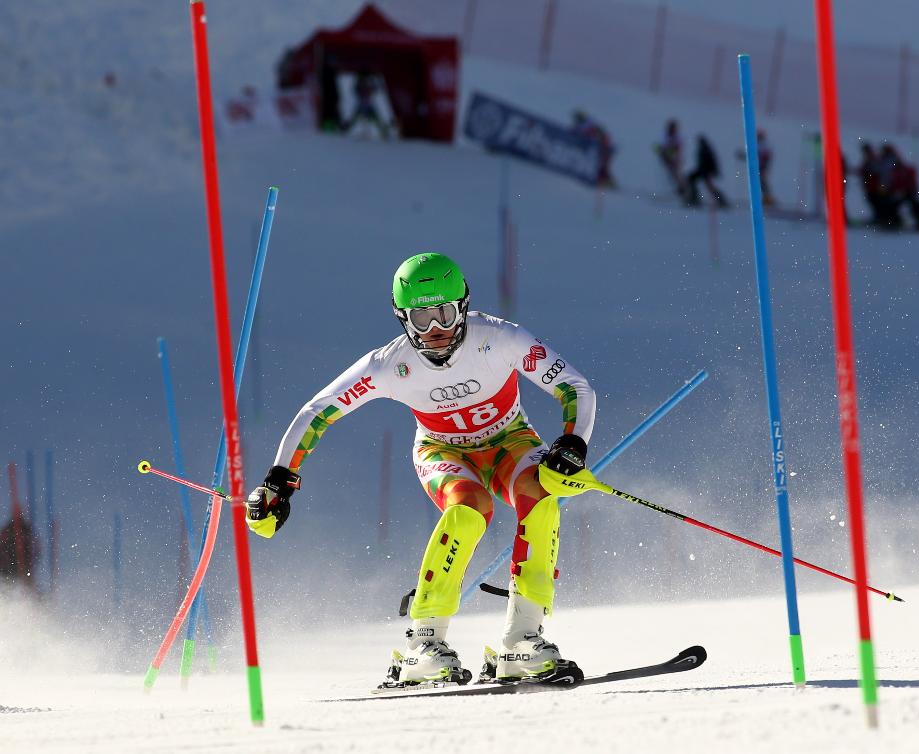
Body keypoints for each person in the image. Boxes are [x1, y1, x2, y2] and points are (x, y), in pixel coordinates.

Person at [245, 253, 596, 687]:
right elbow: (318, 412)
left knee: (540, 499)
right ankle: (423, 644)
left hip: (511, 442)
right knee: (469, 510)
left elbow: (574, 387)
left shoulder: (501, 339)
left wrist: (572, 443)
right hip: (442, 451)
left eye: (444, 313)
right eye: (421, 318)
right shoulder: (389, 365)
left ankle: (522, 639)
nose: (435, 330)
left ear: (463, 306)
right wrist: (279, 480)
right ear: (402, 318)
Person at [572, 110, 617, 188]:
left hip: (602, 150)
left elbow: (602, 137)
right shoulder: (581, 126)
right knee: (599, 167)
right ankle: (606, 182)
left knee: (601, 167)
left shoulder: (590, 125)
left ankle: (608, 183)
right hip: (595, 150)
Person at [345, 72, 392, 139]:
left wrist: (372, 88)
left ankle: (384, 131)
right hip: (361, 105)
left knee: (376, 118)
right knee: (355, 118)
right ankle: (346, 129)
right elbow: (356, 90)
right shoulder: (359, 85)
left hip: (368, 105)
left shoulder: (368, 83)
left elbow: (375, 88)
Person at [685, 135, 728, 207]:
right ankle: (694, 198)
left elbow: (711, 163)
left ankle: (722, 201)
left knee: (710, 187)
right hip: (703, 171)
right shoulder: (703, 149)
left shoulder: (706, 150)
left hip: (706, 172)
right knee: (693, 180)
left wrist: (712, 172)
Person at [654, 119, 686, 197]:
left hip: (674, 160)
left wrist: (671, 155)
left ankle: (684, 191)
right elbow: (666, 147)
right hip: (669, 160)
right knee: (674, 176)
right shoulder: (668, 136)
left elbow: (677, 148)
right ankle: (681, 190)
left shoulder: (676, 137)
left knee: (677, 175)